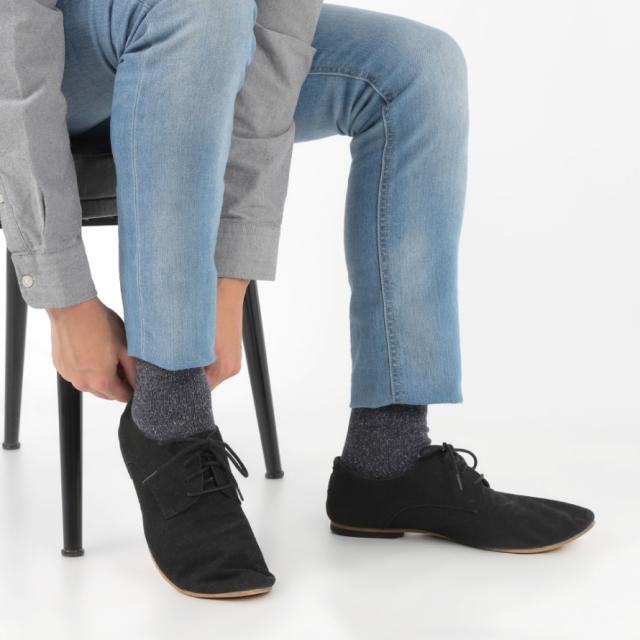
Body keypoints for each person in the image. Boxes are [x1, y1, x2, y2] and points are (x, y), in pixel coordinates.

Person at [0, 0, 594, 599]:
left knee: (419, 66)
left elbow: (277, 42)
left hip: (198, 40)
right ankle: (169, 419)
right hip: (50, 57)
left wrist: (228, 280)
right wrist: (65, 300)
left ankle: (389, 457)